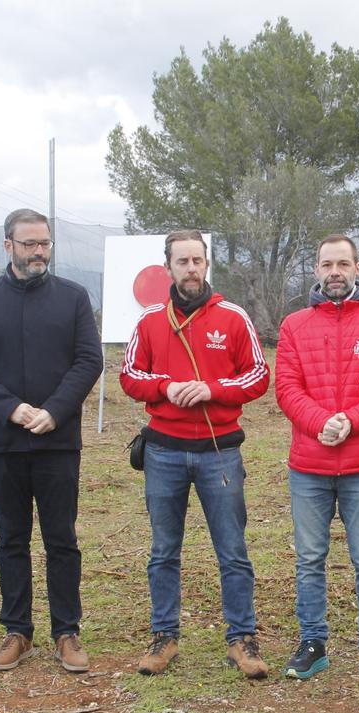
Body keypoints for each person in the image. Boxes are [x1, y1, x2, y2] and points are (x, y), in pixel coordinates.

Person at [0, 208, 103, 673]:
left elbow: (88, 360)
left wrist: (54, 412)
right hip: (2, 441)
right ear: (8, 247)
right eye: (29, 244)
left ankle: (67, 632)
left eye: (45, 244)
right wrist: (11, 408)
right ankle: (17, 630)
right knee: (10, 538)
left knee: (61, 539)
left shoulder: (74, 298)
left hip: (57, 442)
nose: (39, 252)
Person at [120, 230, 272, 679]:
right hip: (163, 452)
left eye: (197, 260)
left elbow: (260, 375)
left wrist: (213, 388)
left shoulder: (232, 317)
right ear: (167, 266)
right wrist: (166, 385)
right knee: (164, 550)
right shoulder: (149, 320)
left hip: (219, 453)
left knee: (233, 550)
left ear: (207, 264)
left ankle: (242, 638)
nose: (190, 268)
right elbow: (130, 376)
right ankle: (164, 636)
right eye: (182, 261)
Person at [274, 235, 359, 681]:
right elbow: (288, 388)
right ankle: (313, 644)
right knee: (309, 559)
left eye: (343, 263)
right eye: (327, 264)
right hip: (308, 466)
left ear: (357, 268)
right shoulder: (294, 325)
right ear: (315, 270)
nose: (335, 271)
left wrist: (350, 419)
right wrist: (321, 423)